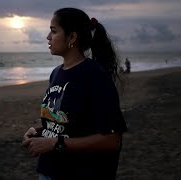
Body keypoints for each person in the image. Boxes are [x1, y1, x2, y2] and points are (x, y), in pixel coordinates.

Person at [22, 7, 127, 180]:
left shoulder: (95, 76)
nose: (48, 37)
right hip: (48, 170)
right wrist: (39, 132)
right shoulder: (56, 73)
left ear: (72, 37)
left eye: (53, 31)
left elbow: (112, 140)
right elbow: (69, 125)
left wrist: (55, 144)